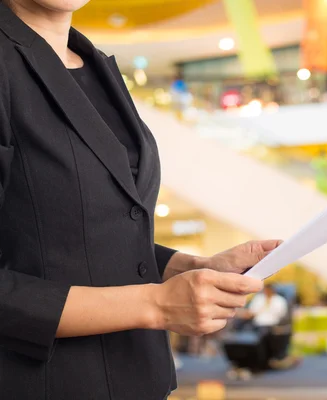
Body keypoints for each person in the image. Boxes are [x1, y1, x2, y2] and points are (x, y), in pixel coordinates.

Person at [0, 1, 281, 398]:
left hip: (139, 378)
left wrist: (189, 267)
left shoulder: (91, 62)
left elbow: (74, 236)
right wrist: (157, 305)